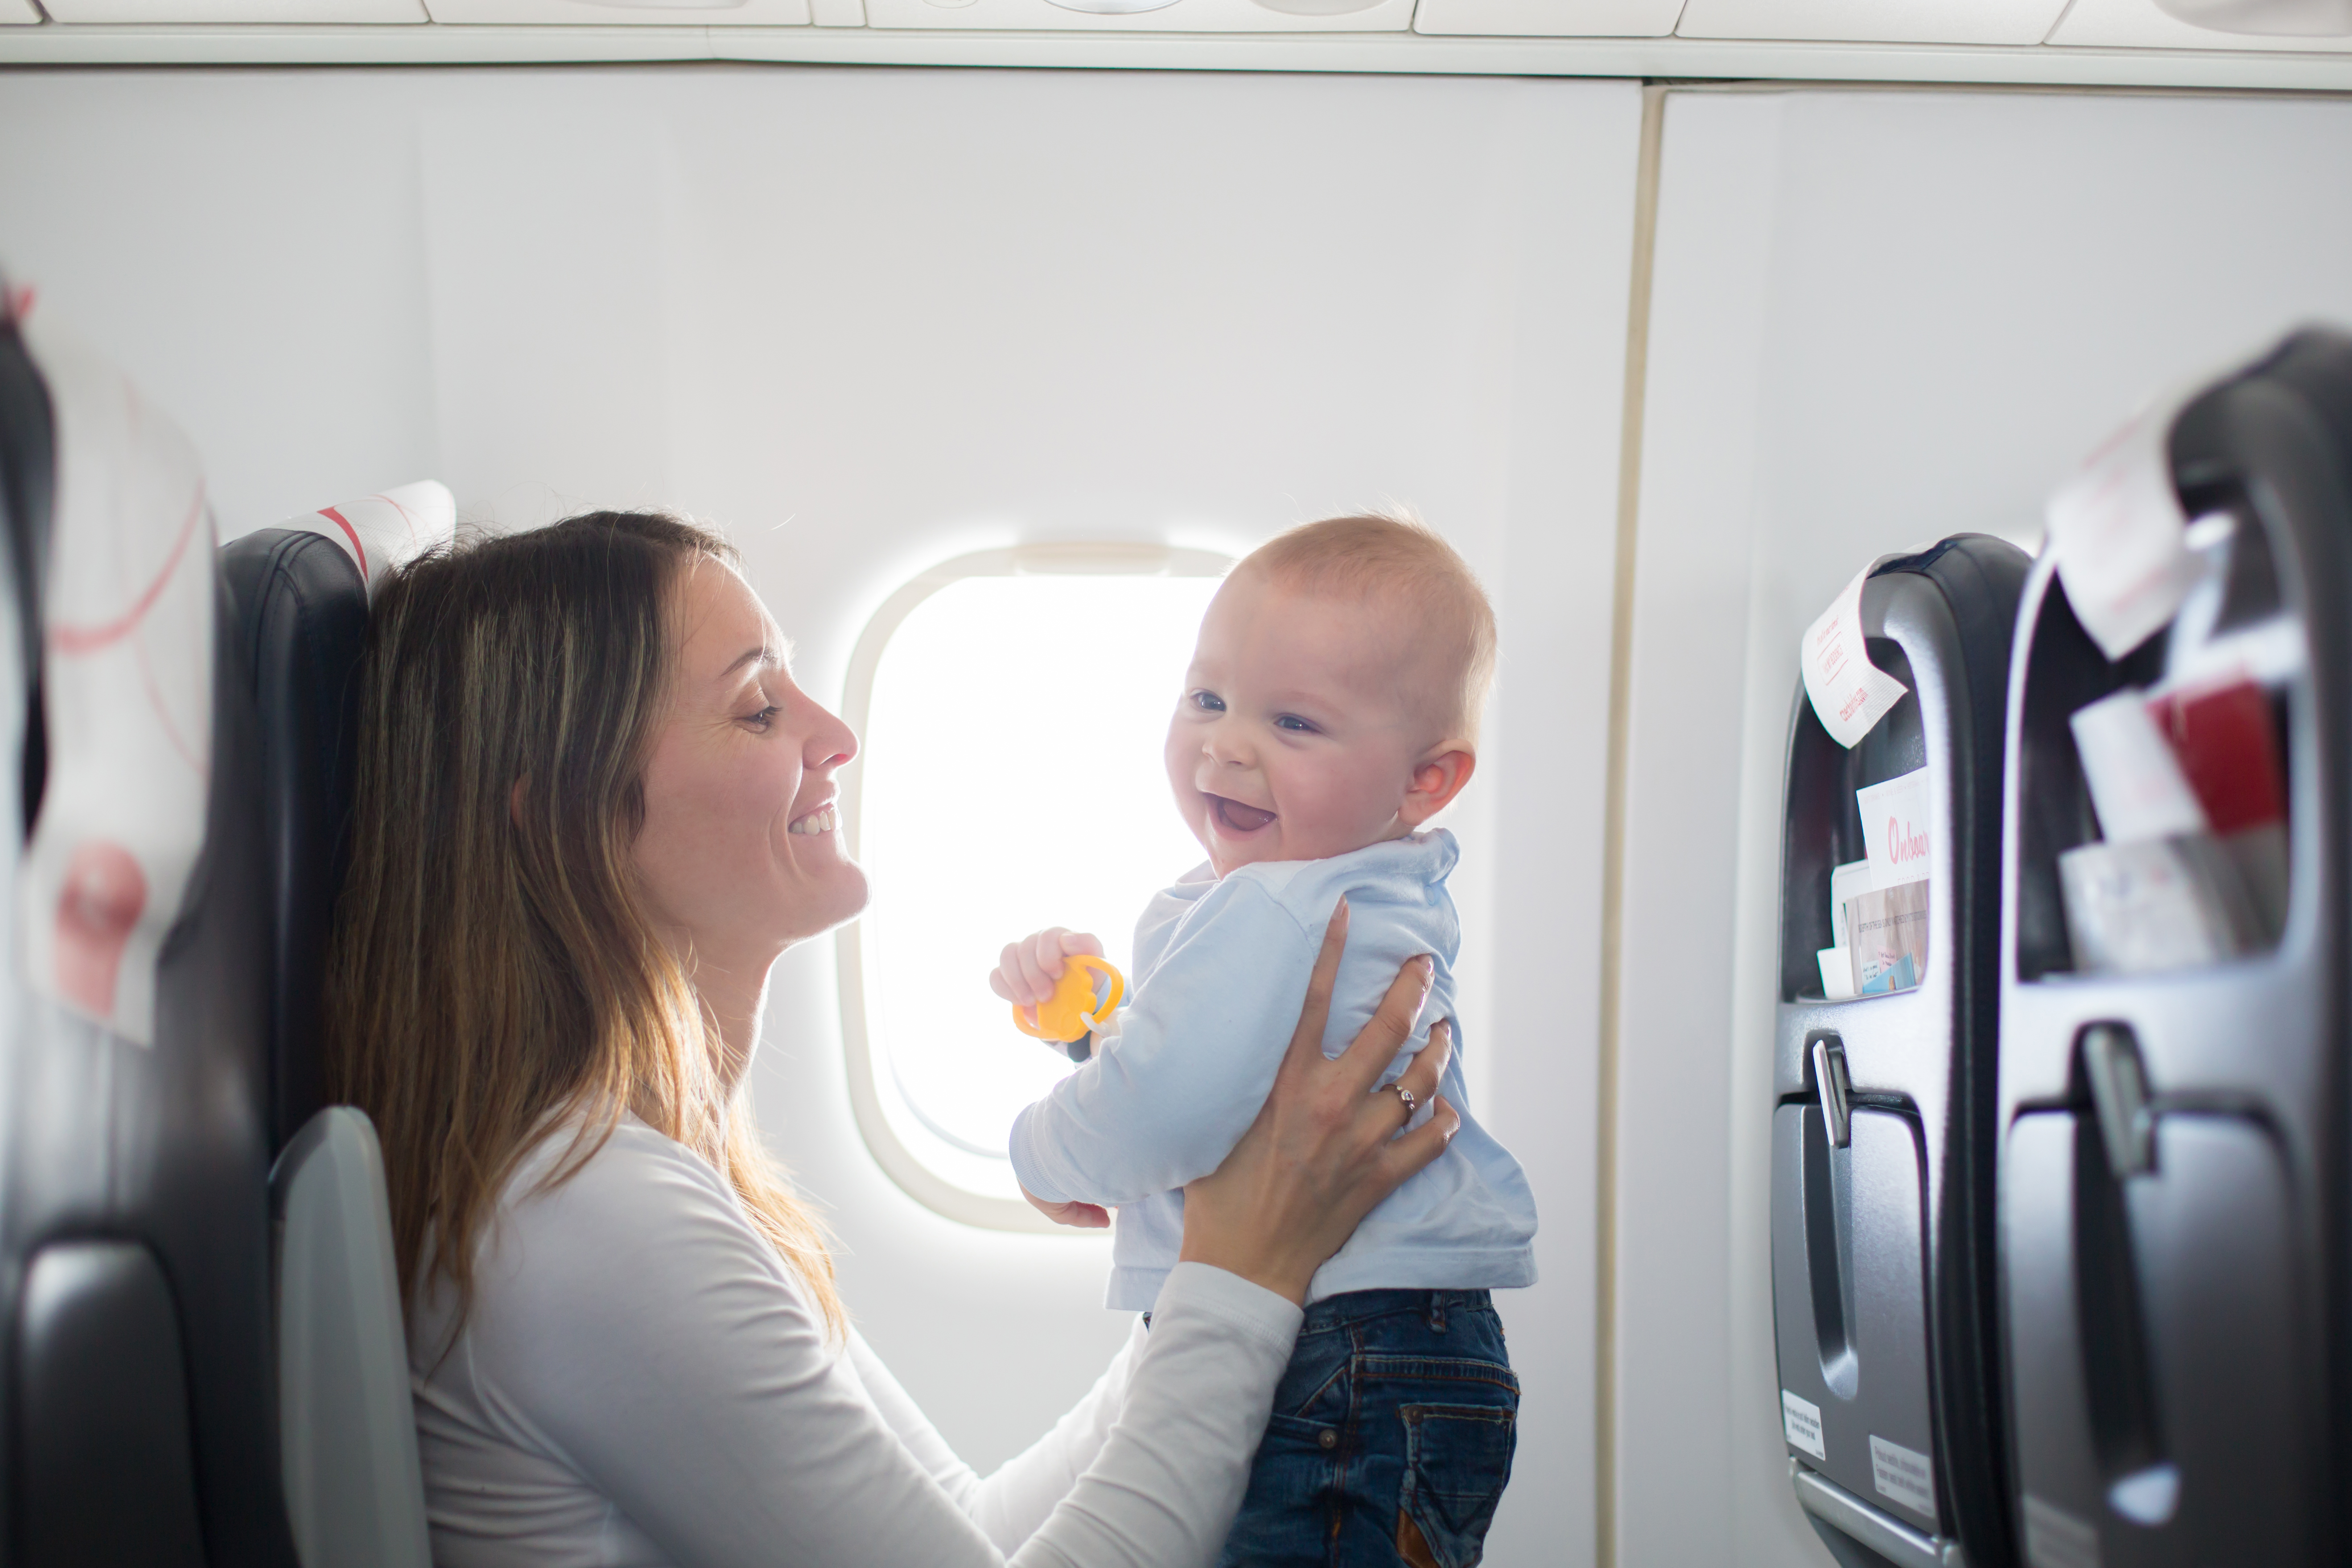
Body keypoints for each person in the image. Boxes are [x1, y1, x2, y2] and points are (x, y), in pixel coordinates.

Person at [324, 509, 1462, 1568]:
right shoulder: (585, 1215)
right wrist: (1240, 1268)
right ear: (563, 806)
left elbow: (967, 1530)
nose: (834, 732)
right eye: (758, 706)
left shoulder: (664, 1173)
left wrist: (1239, 1242)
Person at [989, 514, 1538, 1568]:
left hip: (1335, 1354)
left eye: (1292, 722)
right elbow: (1222, 1078)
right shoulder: (1352, 890)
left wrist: (1039, 1152)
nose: (1225, 743)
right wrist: (1089, 1027)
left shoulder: (1276, 910)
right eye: (1207, 698)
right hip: (1399, 1350)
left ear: (1425, 779)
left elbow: (1167, 1108)